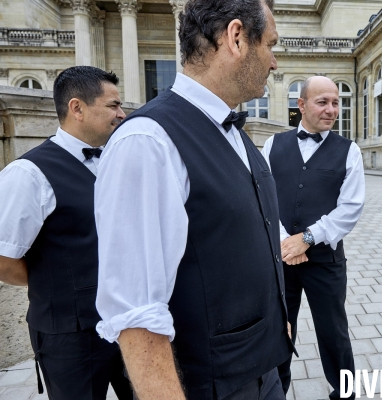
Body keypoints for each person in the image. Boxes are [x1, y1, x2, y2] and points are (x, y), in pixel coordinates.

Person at [93, 1, 294, 399]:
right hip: (208, 386)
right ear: (236, 38)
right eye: (270, 44)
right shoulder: (148, 141)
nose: (274, 62)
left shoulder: (234, 132)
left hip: (265, 369)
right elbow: (135, 314)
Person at [0, 66, 132, 400]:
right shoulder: (27, 174)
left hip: (128, 322)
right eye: (113, 105)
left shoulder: (115, 160)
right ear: (77, 108)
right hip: (70, 338)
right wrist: (60, 282)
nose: (122, 113)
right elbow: (3, 259)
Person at [261, 76, 365, 400]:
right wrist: (285, 242)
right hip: (281, 260)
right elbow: (264, 198)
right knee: (279, 330)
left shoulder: (350, 152)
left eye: (336, 102)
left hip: (326, 262)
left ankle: (345, 394)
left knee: (334, 334)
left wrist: (307, 238)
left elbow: (350, 207)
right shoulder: (272, 145)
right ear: (301, 105)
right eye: (323, 102)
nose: (332, 109)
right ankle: (276, 392)